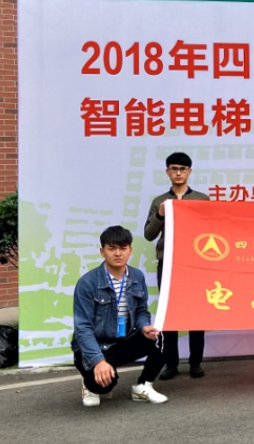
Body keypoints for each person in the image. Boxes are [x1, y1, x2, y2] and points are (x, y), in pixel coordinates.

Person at [72, 225, 168, 407]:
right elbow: (83, 327)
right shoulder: (87, 283)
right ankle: (89, 383)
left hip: (123, 340)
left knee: (162, 339)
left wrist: (144, 327)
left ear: (130, 250)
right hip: (97, 346)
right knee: (104, 386)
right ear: (102, 251)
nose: (118, 253)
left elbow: (141, 311)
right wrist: (98, 361)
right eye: (112, 248)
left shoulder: (137, 277)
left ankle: (143, 386)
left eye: (123, 248)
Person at [144, 151, 210, 380]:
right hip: (168, 263)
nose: (178, 173)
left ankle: (195, 363)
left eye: (183, 169)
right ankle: (170, 363)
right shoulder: (160, 201)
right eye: (174, 168)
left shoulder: (202, 200)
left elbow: (210, 232)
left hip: (195, 264)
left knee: (196, 314)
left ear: (189, 171)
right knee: (169, 314)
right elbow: (149, 234)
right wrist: (161, 215)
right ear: (167, 172)